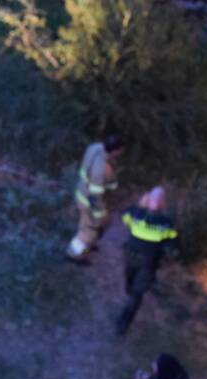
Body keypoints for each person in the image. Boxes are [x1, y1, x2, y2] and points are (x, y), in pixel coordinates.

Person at [115, 186, 179, 335]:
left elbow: (125, 219)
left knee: (134, 291)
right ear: (162, 203)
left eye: (157, 198)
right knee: (134, 291)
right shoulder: (165, 222)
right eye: (156, 198)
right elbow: (172, 244)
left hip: (135, 259)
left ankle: (123, 322)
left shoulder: (137, 214)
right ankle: (126, 315)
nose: (156, 201)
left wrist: (140, 206)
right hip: (143, 261)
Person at [66, 134, 124, 263]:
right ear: (115, 151)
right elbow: (95, 196)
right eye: (120, 149)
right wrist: (100, 214)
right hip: (89, 202)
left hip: (82, 192)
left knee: (86, 224)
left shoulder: (95, 147)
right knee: (89, 230)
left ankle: (88, 245)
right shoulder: (101, 170)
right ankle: (73, 254)